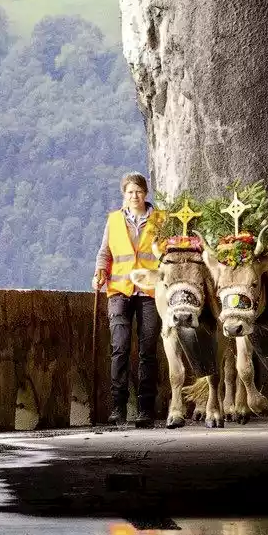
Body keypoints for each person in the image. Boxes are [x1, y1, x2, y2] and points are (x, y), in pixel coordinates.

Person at [94, 172, 166, 428]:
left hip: (149, 291)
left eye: (138, 191)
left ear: (145, 193)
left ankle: (145, 410)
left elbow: (166, 253)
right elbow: (105, 251)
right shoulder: (114, 220)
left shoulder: (160, 220)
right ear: (123, 195)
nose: (134, 196)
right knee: (120, 348)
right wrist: (100, 272)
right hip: (120, 290)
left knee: (148, 351)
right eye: (129, 192)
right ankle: (117, 408)